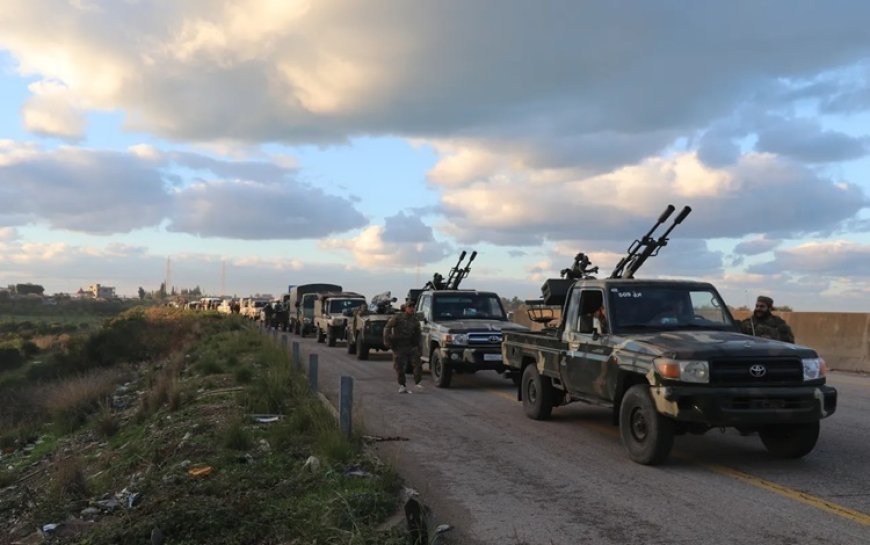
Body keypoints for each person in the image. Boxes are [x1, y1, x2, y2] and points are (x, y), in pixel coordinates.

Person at [384, 301, 423, 393]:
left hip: (411, 345)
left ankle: (418, 382)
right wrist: (387, 340)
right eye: (410, 307)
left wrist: (419, 346)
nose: (411, 309)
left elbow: (418, 334)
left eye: (413, 307)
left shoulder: (415, 319)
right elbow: (387, 327)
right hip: (399, 345)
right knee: (399, 366)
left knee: (417, 364)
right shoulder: (398, 317)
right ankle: (402, 385)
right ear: (406, 308)